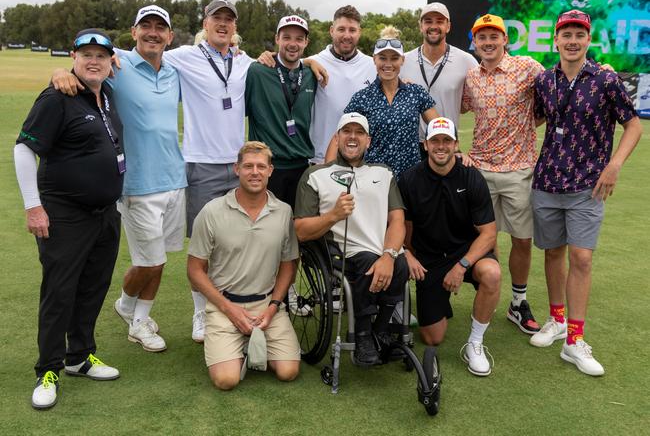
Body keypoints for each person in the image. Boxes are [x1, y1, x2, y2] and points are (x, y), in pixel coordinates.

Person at [52, 5, 186, 353]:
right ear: (134, 32)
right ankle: (137, 321)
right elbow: (86, 66)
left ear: (170, 36)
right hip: (136, 184)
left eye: (160, 28)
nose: (153, 33)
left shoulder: (174, 73)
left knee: (161, 258)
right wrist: (58, 72)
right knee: (150, 260)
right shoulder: (118, 64)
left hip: (174, 177)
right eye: (146, 27)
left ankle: (129, 308)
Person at [529, 10, 642, 376]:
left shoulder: (605, 79)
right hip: (547, 181)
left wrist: (615, 165)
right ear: (556, 40)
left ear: (588, 40)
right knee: (553, 253)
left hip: (588, 184)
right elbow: (538, 118)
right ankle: (557, 319)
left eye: (579, 34)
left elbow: (633, 125)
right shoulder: (545, 81)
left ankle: (574, 340)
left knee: (581, 258)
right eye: (567, 35)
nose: (572, 41)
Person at [14, 29, 123, 409]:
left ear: (111, 62)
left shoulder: (106, 93)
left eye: (102, 55)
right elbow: (25, 150)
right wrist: (33, 206)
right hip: (64, 214)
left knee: (93, 287)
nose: (94, 61)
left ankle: (79, 356)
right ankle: (49, 369)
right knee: (59, 291)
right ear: (73, 58)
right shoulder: (57, 97)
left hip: (105, 214)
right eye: (86, 54)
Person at [163, 0, 255, 343]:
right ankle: (201, 312)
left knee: (236, 243)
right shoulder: (184, 55)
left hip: (239, 166)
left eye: (229, 20)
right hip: (201, 164)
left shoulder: (245, 61)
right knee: (204, 245)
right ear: (206, 22)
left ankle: (230, 305)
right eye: (218, 18)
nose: (223, 24)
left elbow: (283, 62)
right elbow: (140, 56)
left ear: (235, 27)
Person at [294, 113, 409, 366]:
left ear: (368, 140)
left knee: (401, 264)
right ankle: (364, 336)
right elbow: (300, 230)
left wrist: (389, 255)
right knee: (368, 262)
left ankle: (380, 329)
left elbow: (397, 221)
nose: (353, 137)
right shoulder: (315, 175)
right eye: (347, 131)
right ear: (337, 138)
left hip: (382, 250)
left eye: (359, 132)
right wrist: (333, 215)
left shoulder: (383, 172)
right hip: (342, 251)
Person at [187, 141, 301, 390]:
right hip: (224, 305)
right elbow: (195, 270)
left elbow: (288, 266)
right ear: (236, 169)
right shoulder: (211, 211)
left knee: (288, 371)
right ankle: (239, 341)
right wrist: (229, 310)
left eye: (261, 166)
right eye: (248, 166)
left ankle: (250, 341)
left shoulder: (283, 212)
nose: (255, 172)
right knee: (226, 380)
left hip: (266, 306)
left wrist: (273, 308)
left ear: (271, 170)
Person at [461, 13, 545, 335]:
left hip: (519, 169)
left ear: (505, 39)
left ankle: (518, 303)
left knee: (522, 240)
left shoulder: (527, 67)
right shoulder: (471, 77)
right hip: (480, 169)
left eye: (494, 36)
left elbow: (556, 87)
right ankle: (490, 295)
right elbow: (455, 108)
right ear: (476, 42)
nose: (488, 42)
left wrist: (600, 69)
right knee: (487, 238)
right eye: (482, 37)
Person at [399, 117, 501, 376]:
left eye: (447, 141)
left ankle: (475, 344)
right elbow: (403, 228)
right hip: (430, 259)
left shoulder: (471, 176)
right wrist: (408, 254)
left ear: (456, 144)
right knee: (432, 338)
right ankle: (440, 301)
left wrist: (461, 266)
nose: (441, 146)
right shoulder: (410, 179)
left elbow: (489, 234)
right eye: (435, 141)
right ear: (426, 144)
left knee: (491, 273)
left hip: (466, 253)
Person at [331, 26, 439, 179]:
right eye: (382, 58)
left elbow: (439, 128)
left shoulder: (416, 92)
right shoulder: (362, 98)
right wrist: (326, 175)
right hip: (373, 180)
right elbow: (340, 137)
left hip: (411, 180)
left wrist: (455, 151)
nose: (388, 64)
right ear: (374, 59)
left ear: (402, 60)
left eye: (394, 58)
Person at [245, 15, 317, 209]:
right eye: (286, 37)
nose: (292, 44)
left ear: (306, 42)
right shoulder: (257, 71)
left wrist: (310, 62)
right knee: (266, 231)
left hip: (302, 168)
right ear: (277, 39)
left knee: (298, 233)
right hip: (267, 167)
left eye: (299, 39)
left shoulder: (311, 74)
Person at [401, 2, 478, 155]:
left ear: (448, 26)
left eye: (440, 21)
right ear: (420, 26)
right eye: (428, 21)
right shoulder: (402, 61)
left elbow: (475, 103)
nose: (434, 26)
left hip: (446, 145)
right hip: (410, 146)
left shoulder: (466, 61)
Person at [309, 5, 376, 164]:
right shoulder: (315, 62)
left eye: (352, 30)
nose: (347, 35)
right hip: (320, 159)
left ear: (360, 32)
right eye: (341, 29)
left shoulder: (372, 66)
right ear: (331, 30)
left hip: (360, 161)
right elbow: (286, 63)